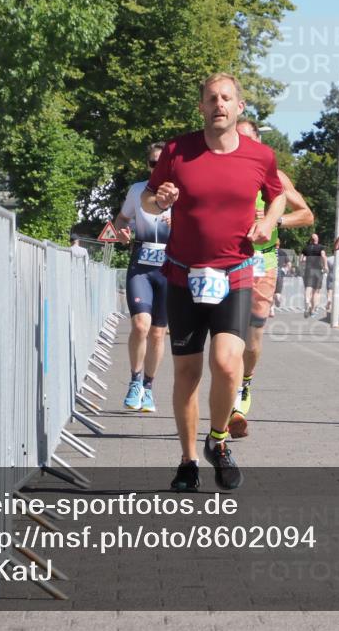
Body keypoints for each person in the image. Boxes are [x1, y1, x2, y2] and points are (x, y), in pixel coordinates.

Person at [141, 73, 285, 490]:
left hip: (236, 272)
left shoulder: (260, 156)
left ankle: (218, 440)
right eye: (211, 98)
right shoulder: (177, 150)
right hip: (184, 275)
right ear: (201, 107)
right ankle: (187, 462)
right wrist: (160, 200)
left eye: (226, 98)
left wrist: (270, 221)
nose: (218, 104)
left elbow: (276, 194)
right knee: (187, 374)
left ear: (239, 107)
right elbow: (150, 198)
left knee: (226, 364)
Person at [229, 118, 313, 439]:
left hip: (262, 263)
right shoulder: (221, 171)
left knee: (251, 341)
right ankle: (234, 403)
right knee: (229, 335)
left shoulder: (274, 176)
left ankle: (246, 381)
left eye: (248, 141)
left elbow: (306, 214)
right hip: (228, 262)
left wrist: (275, 221)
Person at [113, 143, 172, 414]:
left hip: (170, 270)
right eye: (152, 163)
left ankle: (148, 388)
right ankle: (135, 381)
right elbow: (122, 220)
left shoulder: (183, 194)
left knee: (158, 334)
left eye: (162, 163)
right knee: (140, 325)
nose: (156, 167)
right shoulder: (138, 190)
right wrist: (122, 233)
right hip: (141, 267)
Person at [300, 233, 327, 317]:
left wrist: (302, 268)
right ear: (317, 240)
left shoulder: (306, 248)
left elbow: (301, 260)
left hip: (308, 270)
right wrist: (325, 266)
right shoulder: (320, 247)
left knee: (308, 288)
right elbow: (323, 256)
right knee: (316, 292)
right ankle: (313, 310)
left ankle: (307, 302)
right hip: (318, 271)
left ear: (311, 240)